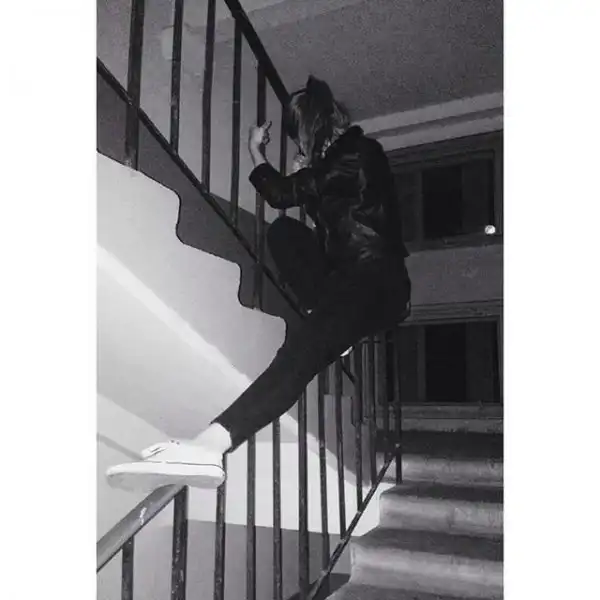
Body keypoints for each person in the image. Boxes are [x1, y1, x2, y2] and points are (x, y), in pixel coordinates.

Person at [107, 76, 411, 492]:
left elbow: (281, 193)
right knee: (284, 234)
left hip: (376, 279)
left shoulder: (357, 153)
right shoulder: (341, 166)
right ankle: (327, 321)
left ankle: (210, 445)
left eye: (300, 139)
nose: (300, 148)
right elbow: (315, 211)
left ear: (312, 129)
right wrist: (310, 181)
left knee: (299, 353)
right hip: (346, 277)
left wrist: (256, 151)